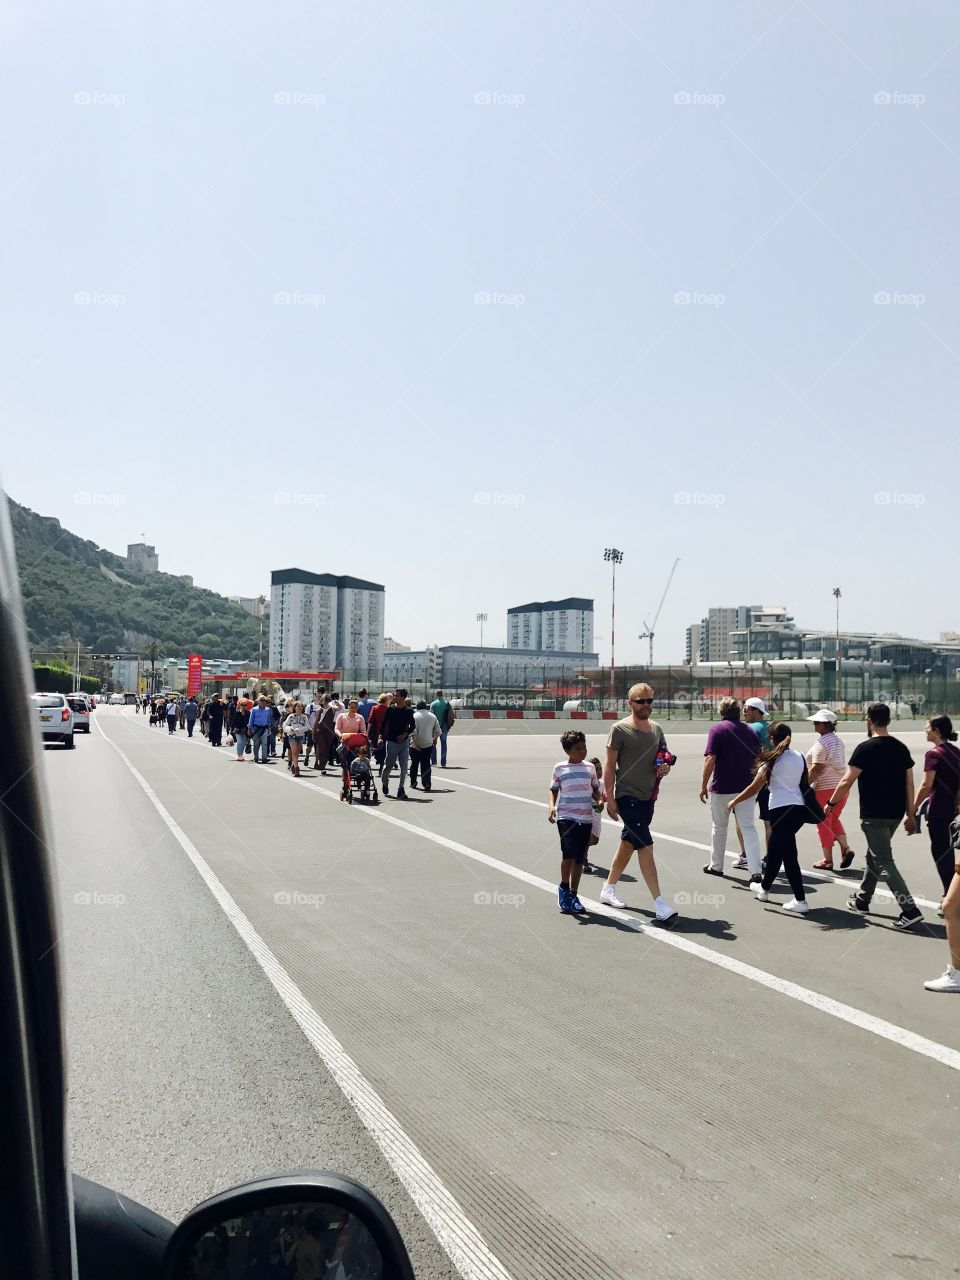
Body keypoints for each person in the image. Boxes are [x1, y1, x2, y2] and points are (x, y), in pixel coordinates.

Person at [827, 703, 923, 930]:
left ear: (868, 720)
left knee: (883, 860)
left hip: (874, 814)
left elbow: (846, 780)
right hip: (895, 814)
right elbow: (910, 783)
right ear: (888, 720)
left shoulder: (865, 748)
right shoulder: (901, 749)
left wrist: (831, 803)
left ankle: (910, 909)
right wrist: (911, 815)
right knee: (874, 854)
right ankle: (863, 900)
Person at [598, 683, 678, 922]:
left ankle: (608, 888)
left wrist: (665, 767)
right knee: (645, 844)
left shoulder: (657, 729)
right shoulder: (619, 729)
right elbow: (610, 766)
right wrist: (610, 798)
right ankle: (660, 903)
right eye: (640, 701)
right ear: (630, 703)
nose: (646, 705)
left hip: (648, 796)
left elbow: (663, 757)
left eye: (649, 701)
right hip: (627, 796)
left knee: (629, 842)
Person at [729, 722, 812, 915]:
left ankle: (801, 900)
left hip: (780, 811)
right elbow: (805, 783)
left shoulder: (771, 761)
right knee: (775, 850)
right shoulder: (799, 756)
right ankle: (764, 889)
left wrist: (734, 801)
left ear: (772, 739)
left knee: (789, 856)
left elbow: (754, 788)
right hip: (798, 810)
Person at [699, 697, 763, 880]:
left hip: (722, 787)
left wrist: (703, 785)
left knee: (719, 826)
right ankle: (755, 871)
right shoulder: (749, 731)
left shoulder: (717, 729)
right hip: (747, 788)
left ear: (721, 712)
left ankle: (716, 866)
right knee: (748, 827)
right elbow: (759, 756)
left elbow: (710, 759)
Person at [548, 730, 602, 914]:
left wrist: (600, 800)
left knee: (579, 858)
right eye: (578, 748)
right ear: (568, 751)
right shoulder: (560, 768)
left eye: (584, 747)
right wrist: (551, 806)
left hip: (586, 817)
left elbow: (595, 790)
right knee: (568, 854)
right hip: (566, 817)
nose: (583, 751)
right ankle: (563, 888)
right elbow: (553, 789)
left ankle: (574, 893)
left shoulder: (590, 768)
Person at [912, 714, 960, 900]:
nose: (925, 729)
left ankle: (950, 896)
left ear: (936, 731)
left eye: (927, 726)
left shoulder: (934, 754)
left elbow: (926, 785)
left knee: (941, 852)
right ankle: (951, 893)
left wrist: (913, 807)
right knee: (948, 850)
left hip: (938, 809)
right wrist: (957, 802)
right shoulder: (956, 751)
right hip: (951, 809)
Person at [806, 708, 854, 870]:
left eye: (817, 722)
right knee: (833, 819)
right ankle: (845, 850)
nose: (814, 725)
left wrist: (803, 785)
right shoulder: (837, 741)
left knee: (823, 822)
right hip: (841, 788)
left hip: (825, 788)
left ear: (825, 725)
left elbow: (816, 768)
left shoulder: (821, 743)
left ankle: (828, 860)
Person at [380, 688, 415, 799]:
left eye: (397, 696)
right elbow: (383, 725)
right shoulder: (390, 710)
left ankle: (401, 789)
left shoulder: (409, 711)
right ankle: (385, 782)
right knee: (389, 765)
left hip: (404, 743)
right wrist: (380, 737)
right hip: (392, 742)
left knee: (404, 767)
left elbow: (413, 726)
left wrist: (405, 735)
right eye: (395, 695)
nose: (395, 697)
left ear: (403, 698)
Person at [410, 700, 440, 791]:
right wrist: (435, 738)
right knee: (426, 764)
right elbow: (438, 730)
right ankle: (427, 783)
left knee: (414, 765)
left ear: (417, 707)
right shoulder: (432, 716)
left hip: (415, 745)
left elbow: (413, 732)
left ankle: (413, 782)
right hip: (428, 744)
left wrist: (415, 743)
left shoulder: (414, 716)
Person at [430, 690, 455, 768]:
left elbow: (431, 715)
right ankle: (443, 762)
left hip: (435, 725)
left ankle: (434, 761)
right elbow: (453, 714)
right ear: (442, 695)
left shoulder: (433, 704)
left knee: (433, 743)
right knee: (444, 743)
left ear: (436, 694)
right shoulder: (447, 703)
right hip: (444, 725)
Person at [284, 701, 309, 777]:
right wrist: (290, 728)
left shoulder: (304, 717)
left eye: (301, 706)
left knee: (297, 753)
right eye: (298, 706)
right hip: (292, 736)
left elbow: (307, 727)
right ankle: (296, 768)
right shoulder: (291, 716)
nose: (300, 707)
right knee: (294, 752)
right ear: (295, 707)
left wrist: (299, 729)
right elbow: (285, 724)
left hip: (300, 736)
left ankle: (293, 765)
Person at [366, 693, 390, 770]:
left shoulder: (375, 708)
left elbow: (370, 721)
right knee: (384, 749)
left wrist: (367, 731)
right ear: (386, 700)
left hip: (375, 732)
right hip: (386, 732)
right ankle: (381, 764)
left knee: (375, 747)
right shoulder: (389, 709)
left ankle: (379, 760)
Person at [248, 695, 273, 764]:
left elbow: (268, 720)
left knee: (264, 743)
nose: (262, 702)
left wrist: (269, 728)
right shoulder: (254, 709)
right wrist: (249, 729)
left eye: (264, 701)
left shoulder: (267, 709)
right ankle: (256, 757)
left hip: (264, 728)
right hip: (256, 728)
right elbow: (251, 719)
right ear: (258, 702)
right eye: (261, 700)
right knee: (256, 744)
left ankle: (264, 758)